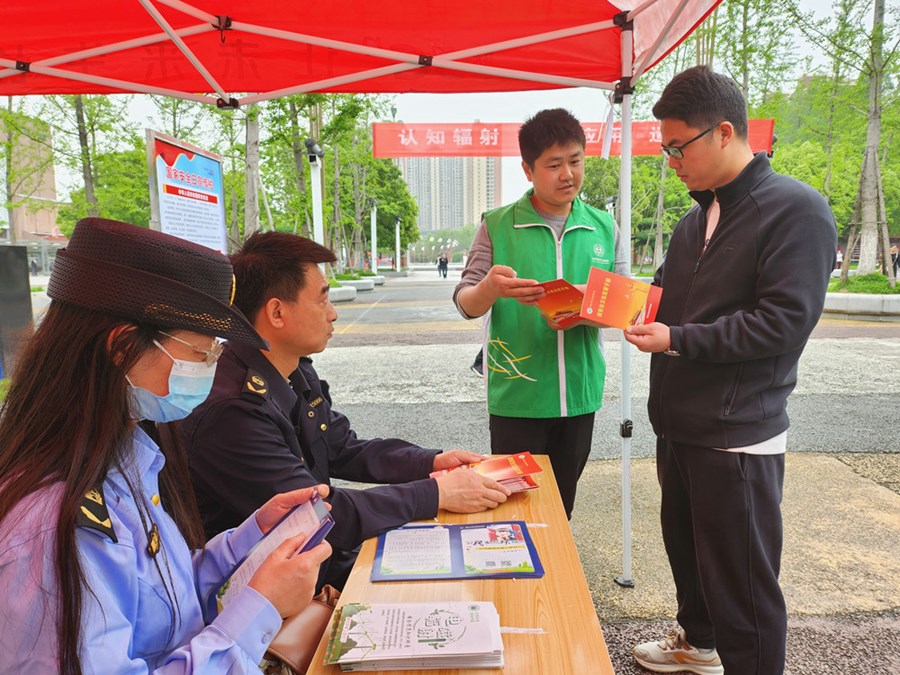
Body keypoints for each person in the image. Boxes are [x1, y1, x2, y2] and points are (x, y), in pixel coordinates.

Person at [0, 218, 332, 673]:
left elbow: (160, 601)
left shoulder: (125, 455)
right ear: (122, 349)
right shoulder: (50, 530)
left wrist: (249, 539)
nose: (210, 367)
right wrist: (263, 607)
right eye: (199, 354)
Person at [623, 66, 836, 675]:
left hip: (737, 431)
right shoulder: (695, 220)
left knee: (742, 583)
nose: (671, 161)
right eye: (665, 149)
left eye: (678, 147)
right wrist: (604, 304)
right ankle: (698, 644)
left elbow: (783, 322)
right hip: (680, 423)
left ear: (723, 132)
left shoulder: (795, 209)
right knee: (690, 555)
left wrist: (678, 338)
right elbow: (666, 297)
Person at [180, 231, 510, 591]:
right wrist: (437, 493)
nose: (333, 313)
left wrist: (431, 462)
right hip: (262, 594)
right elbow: (316, 513)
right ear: (276, 312)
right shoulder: (233, 411)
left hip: (319, 561)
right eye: (323, 299)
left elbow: (342, 448)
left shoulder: (294, 370)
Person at [454, 108, 628, 519]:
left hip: (580, 396)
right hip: (518, 396)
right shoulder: (498, 225)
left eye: (575, 161)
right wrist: (490, 288)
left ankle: (553, 561)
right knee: (514, 507)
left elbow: (627, 307)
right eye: (553, 165)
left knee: (561, 507)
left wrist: (581, 311)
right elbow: (465, 302)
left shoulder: (604, 226)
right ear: (528, 170)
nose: (568, 174)